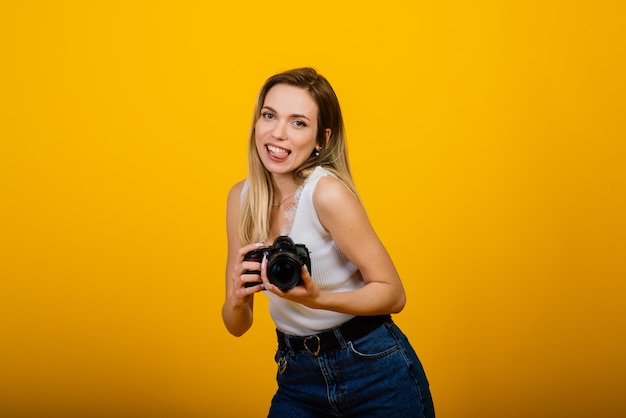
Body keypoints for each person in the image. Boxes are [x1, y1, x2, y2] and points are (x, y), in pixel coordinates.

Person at [222, 67, 435, 418]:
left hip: (374, 369)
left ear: (322, 138)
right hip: (298, 376)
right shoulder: (239, 200)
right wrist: (236, 297)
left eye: (298, 122)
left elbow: (393, 294)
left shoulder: (326, 193)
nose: (277, 133)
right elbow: (237, 325)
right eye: (269, 115)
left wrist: (317, 299)